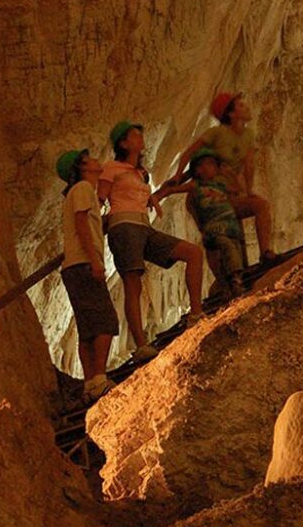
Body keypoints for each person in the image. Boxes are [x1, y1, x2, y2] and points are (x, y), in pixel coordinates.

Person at [99, 120, 204, 363]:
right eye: (135, 135)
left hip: (144, 226)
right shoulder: (111, 168)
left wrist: (165, 191)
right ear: (124, 143)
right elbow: (100, 200)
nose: (140, 138)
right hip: (123, 226)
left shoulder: (141, 173)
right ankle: (141, 345)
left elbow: (146, 201)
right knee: (133, 283)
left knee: (193, 253)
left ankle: (196, 314)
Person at [172, 91, 279, 265]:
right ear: (230, 114)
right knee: (217, 236)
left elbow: (249, 164)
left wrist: (249, 191)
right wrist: (177, 175)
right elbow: (188, 153)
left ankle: (265, 252)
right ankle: (226, 279)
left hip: (230, 193)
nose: (246, 108)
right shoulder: (217, 133)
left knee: (260, 206)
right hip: (210, 195)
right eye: (241, 106)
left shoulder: (248, 135)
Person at [56, 148, 119, 401]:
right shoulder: (82, 189)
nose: (96, 160)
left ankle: (90, 384)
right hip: (83, 263)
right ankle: (99, 378)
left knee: (87, 328)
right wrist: (95, 261)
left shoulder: (79, 192)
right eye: (90, 158)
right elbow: (82, 224)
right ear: (83, 167)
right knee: (106, 322)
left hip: (73, 267)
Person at [157, 149, 245, 298]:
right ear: (198, 170)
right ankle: (234, 279)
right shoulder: (195, 186)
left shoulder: (219, 185)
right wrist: (159, 194)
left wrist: (229, 173)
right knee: (227, 247)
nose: (211, 168)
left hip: (230, 226)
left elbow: (237, 189)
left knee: (233, 249)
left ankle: (227, 283)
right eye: (206, 165)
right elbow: (174, 190)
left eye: (212, 164)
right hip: (214, 229)